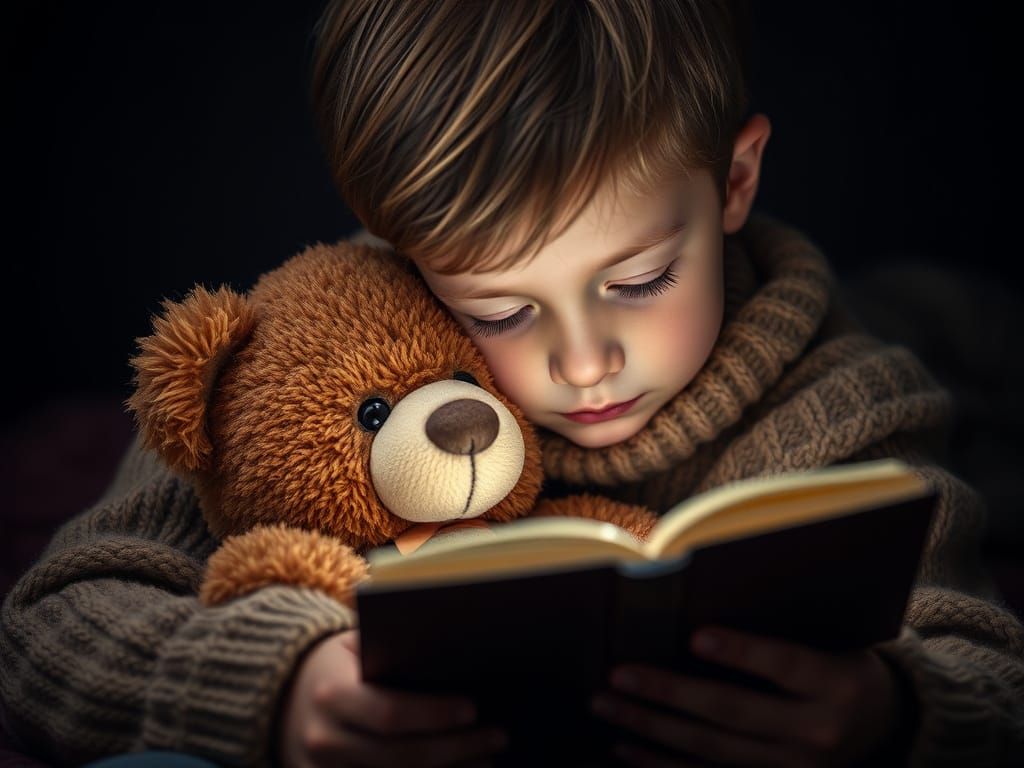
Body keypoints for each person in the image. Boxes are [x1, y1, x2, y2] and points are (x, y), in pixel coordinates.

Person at [1, 2, 1021, 768]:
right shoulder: (317, 346)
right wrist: (279, 686)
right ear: (409, 254)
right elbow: (51, 624)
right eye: (498, 312)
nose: (584, 363)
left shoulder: (851, 405)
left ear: (735, 181)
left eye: (638, 281)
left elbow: (991, 674)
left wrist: (890, 713)